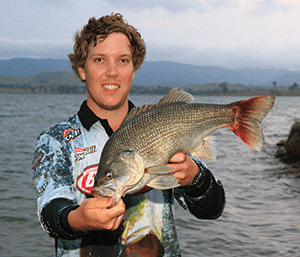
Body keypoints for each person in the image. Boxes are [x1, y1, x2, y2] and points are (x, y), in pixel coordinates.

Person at [32, 13, 225, 257]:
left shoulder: (160, 126)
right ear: (82, 69)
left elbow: (212, 209)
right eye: (99, 60)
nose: (112, 72)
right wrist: (78, 219)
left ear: (134, 70)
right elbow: (50, 214)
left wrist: (194, 177)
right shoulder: (55, 141)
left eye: (123, 61)